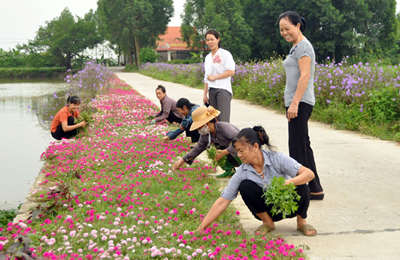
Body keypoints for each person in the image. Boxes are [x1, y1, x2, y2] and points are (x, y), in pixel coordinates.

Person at [196, 126, 317, 236]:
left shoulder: (277, 158)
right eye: (237, 151)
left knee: (302, 185)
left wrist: (287, 183)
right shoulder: (242, 171)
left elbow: (309, 174)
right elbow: (221, 202)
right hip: (269, 210)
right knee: (245, 186)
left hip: (289, 206)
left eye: (241, 151)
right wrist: (200, 228)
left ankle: (301, 222)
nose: (238, 155)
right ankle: (267, 222)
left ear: (255, 147)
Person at [279, 11, 324, 200]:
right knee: (303, 146)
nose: (284, 32)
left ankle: (301, 191)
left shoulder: (304, 47)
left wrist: (295, 103)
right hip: (296, 102)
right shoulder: (296, 47)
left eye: (287, 28)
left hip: (300, 102)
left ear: (298, 25)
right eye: (281, 30)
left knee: (297, 148)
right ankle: (315, 189)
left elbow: (305, 76)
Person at [172, 106, 241, 178]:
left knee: (235, 144)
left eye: (200, 127)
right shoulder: (205, 135)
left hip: (244, 152)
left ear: (207, 123)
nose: (199, 130)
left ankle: (246, 168)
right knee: (212, 150)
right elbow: (198, 149)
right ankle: (230, 170)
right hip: (231, 154)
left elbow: (240, 142)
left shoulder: (224, 127)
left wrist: (223, 152)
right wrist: (181, 161)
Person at [203, 29, 235, 123]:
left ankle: (225, 138)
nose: (210, 42)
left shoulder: (225, 54)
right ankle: (216, 138)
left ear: (218, 39)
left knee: (223, 120)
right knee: (213, 119)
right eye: (208, 40)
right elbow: (206, 77)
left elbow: (231, 71)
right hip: (211, 90)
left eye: (212, 39)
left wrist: (215, 77)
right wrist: (205, 94)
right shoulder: (208, 57)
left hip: (223, 89)